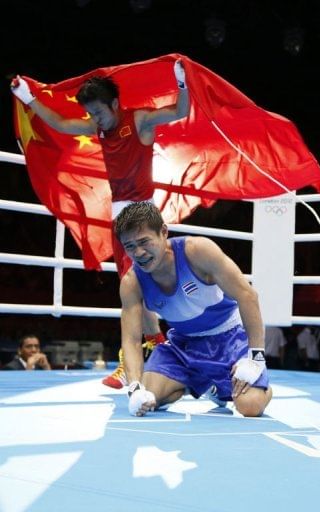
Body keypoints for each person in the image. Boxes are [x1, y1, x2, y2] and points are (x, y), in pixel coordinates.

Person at [11, 61, 190, 388]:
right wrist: (28, 98)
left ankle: (162, 351)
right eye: (90, 114)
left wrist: (182, 81)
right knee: (131, 289)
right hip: (121, 218)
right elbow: (61, 124)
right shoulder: (99, 128)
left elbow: (180, 110)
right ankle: (154, 351)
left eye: (98, 112)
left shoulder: (139, 120)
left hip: (144, 217)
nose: (95, 119)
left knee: (147, 288)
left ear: (114, 104)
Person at [115, 201, 272, 417]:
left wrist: (255, 358)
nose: (139, 252)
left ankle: (245, 385)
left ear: (163, 232)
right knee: (147, 397)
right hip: (184, 345)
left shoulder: (197, 251)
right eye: (130, 246)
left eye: (144, 242)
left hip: (230, 338)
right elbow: (131, 340)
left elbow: (247, 295)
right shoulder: (132, 282)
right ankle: (203, 384)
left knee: (251, 406)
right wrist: (133, 388)